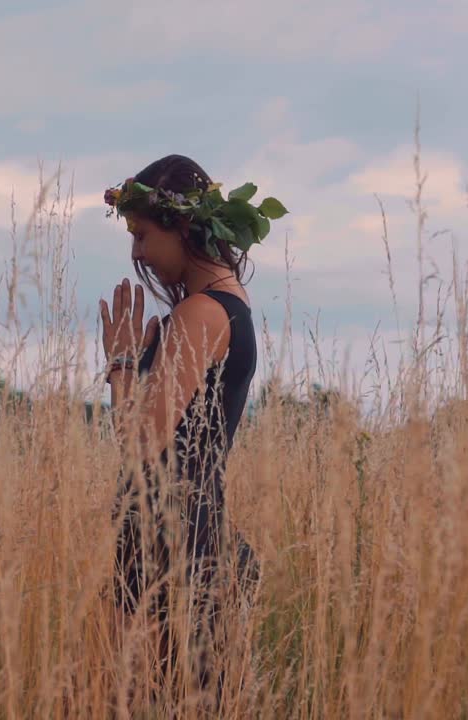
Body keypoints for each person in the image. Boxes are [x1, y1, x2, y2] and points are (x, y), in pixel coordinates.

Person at [98, 154, 285, 705]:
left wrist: (123, 365)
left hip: (170, 539)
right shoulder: (227, 305)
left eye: (141, 234)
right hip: (192, 530)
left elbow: (140, 444)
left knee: (105, 701)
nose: (136, 253)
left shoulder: (201, 313)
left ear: (182, 228)